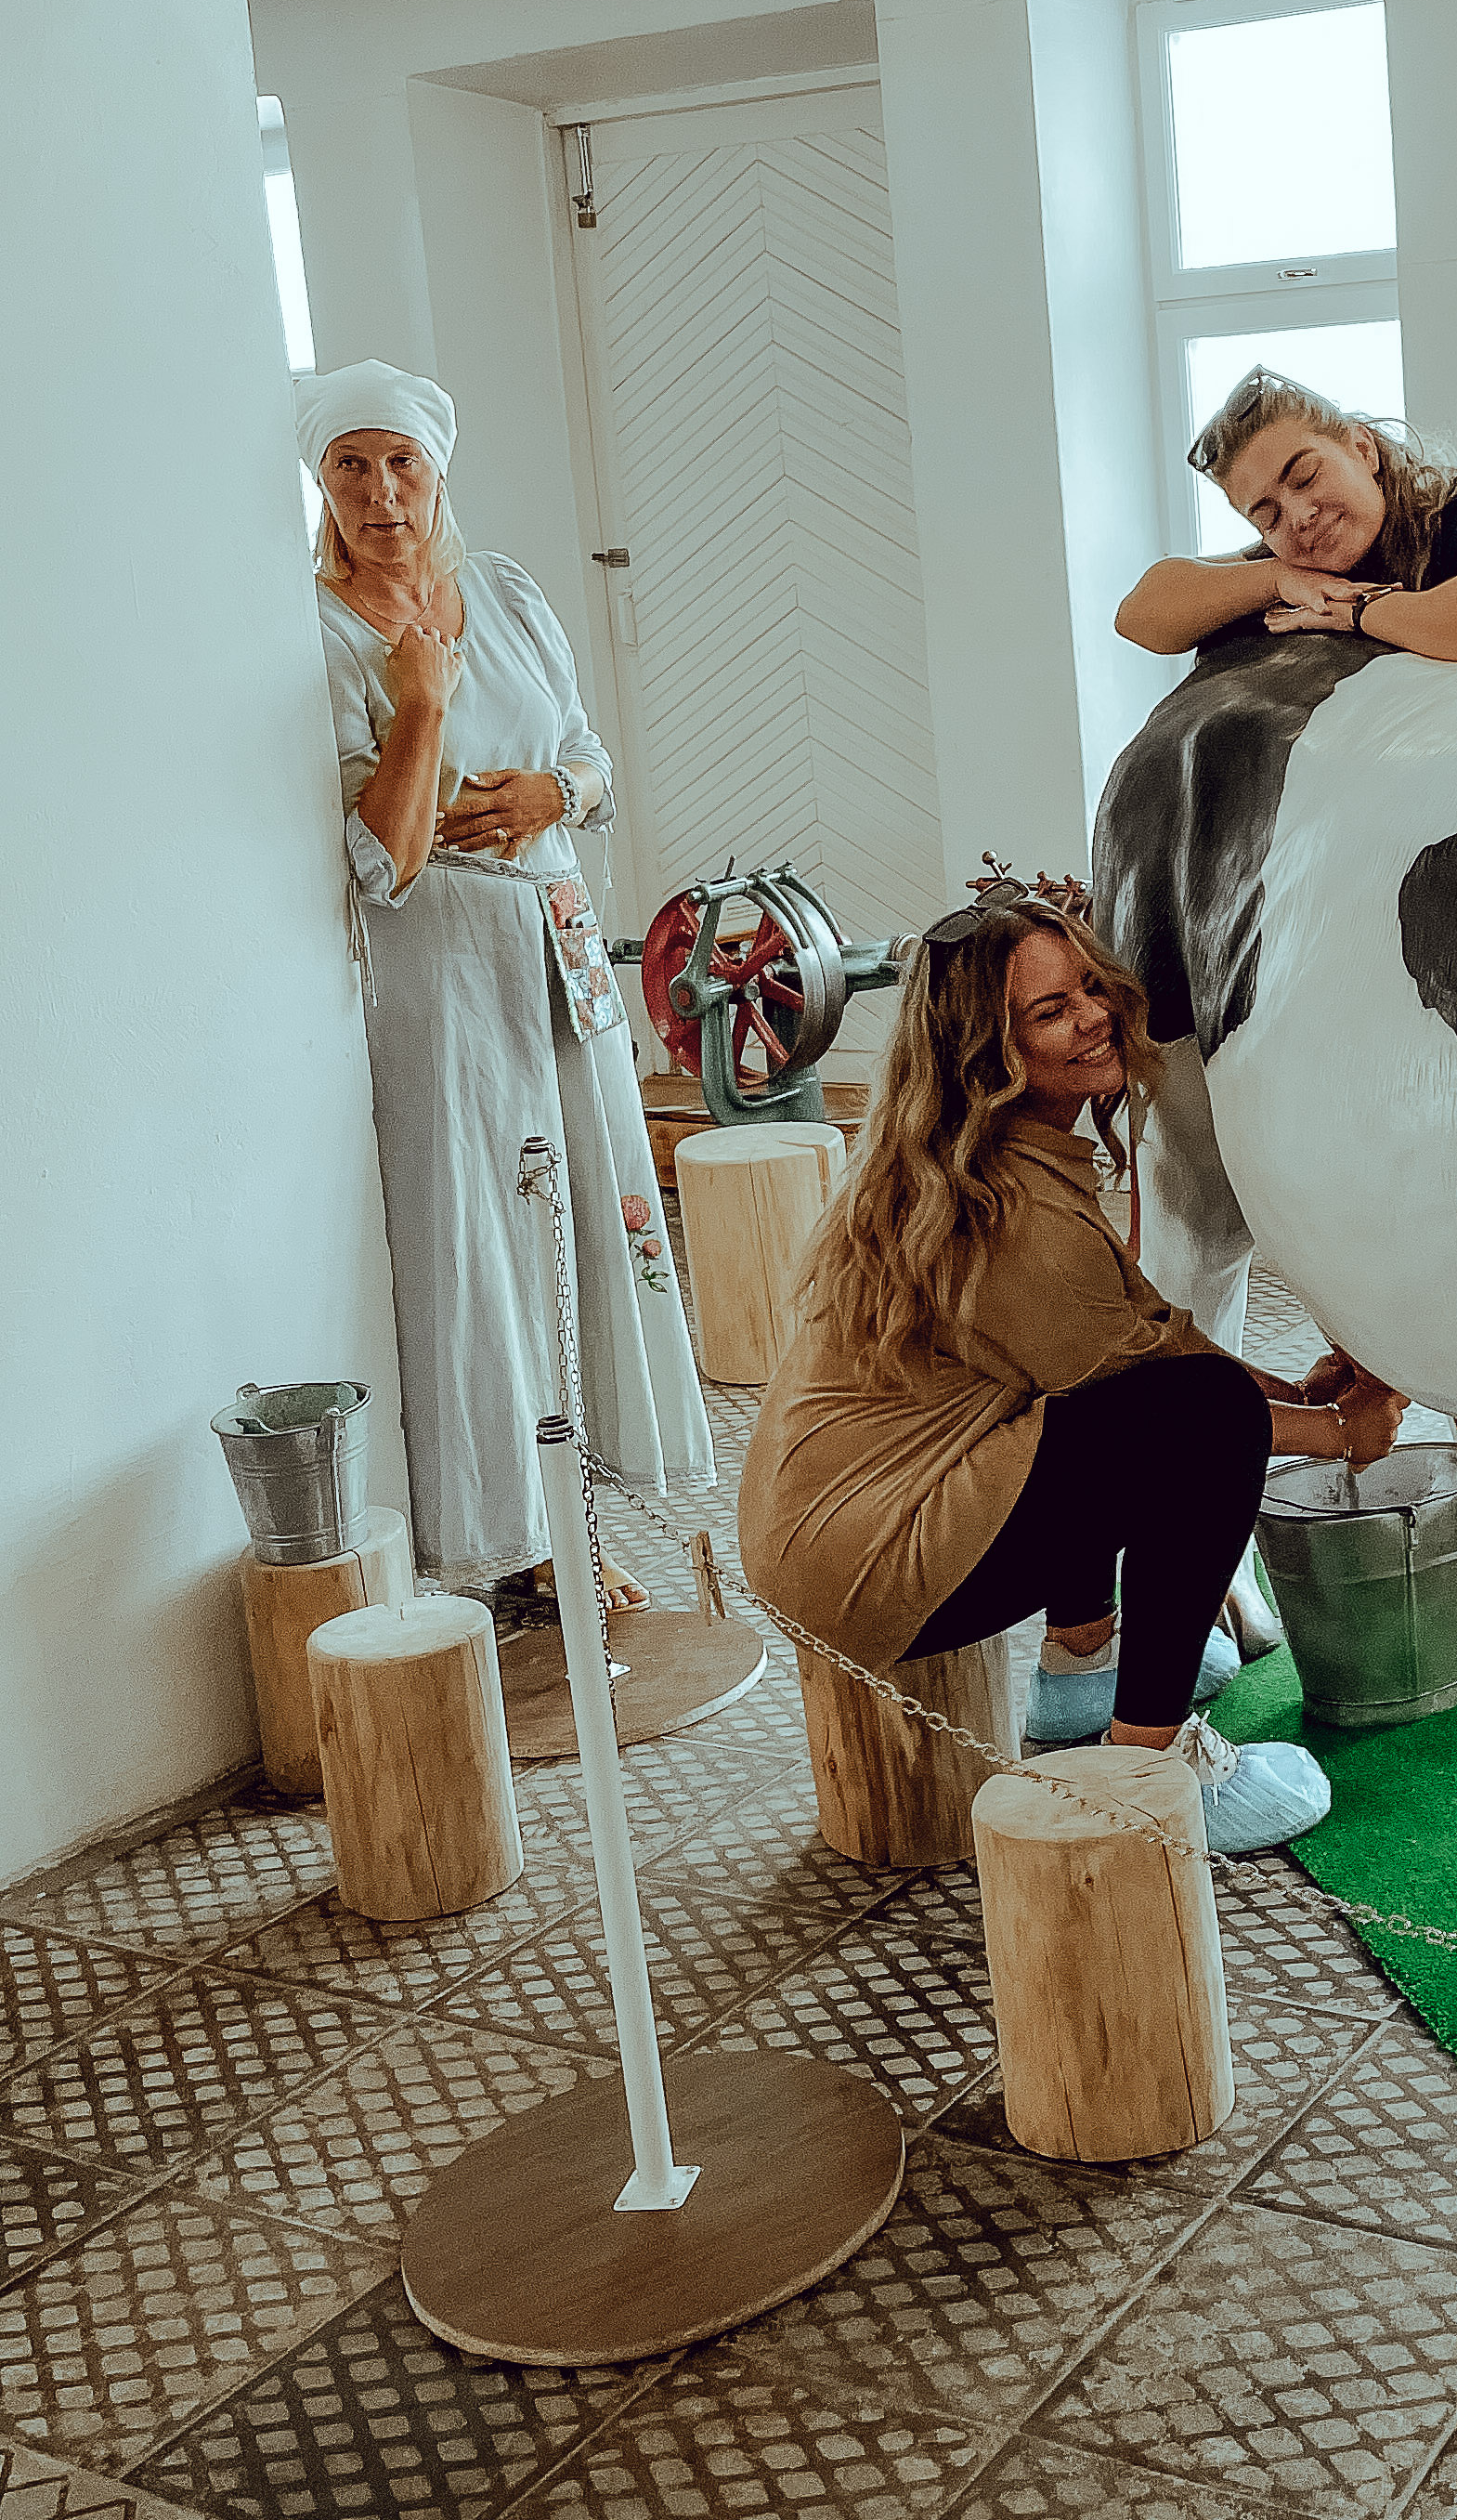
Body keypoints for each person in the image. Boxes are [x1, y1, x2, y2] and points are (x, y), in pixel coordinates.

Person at [738, 884, 1394, 1851]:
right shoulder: (1009, 1211)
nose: (1094, 1016)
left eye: (1090, 985)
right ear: (985, 1052)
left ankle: (1081, 1674)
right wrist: (1344, 1437)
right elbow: (1176, 1412)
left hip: (830, 1525)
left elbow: (1142, 1333)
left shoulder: (986, 1152)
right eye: (1050, 1010)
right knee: (1196, 1426)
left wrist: (1293, 1390)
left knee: (1142, 1402)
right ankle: (1152, 1773)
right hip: (866, 1556)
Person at [306, 360, 712, 1599]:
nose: (383, 492)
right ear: (320, 482)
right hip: (443, 970)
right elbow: (381, 860)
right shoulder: (315, 629)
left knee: (591, 1221)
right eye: (352, 465)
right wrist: (419, 708)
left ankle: (581, 1527)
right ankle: (510, 1547)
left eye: (403, 463)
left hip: (564, 940)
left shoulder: (510, 593)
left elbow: (591, 763)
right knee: (485, 1244)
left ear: (439, 471)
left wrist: (556, 796)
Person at [1114, 369, 1457, 669]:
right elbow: (1141, 616)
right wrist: (1275, 577)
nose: (1300, 516)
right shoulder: (1302, 557)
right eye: (1268, 515)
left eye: (1305, 478)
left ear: (1362, 450)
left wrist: (1357, 610)